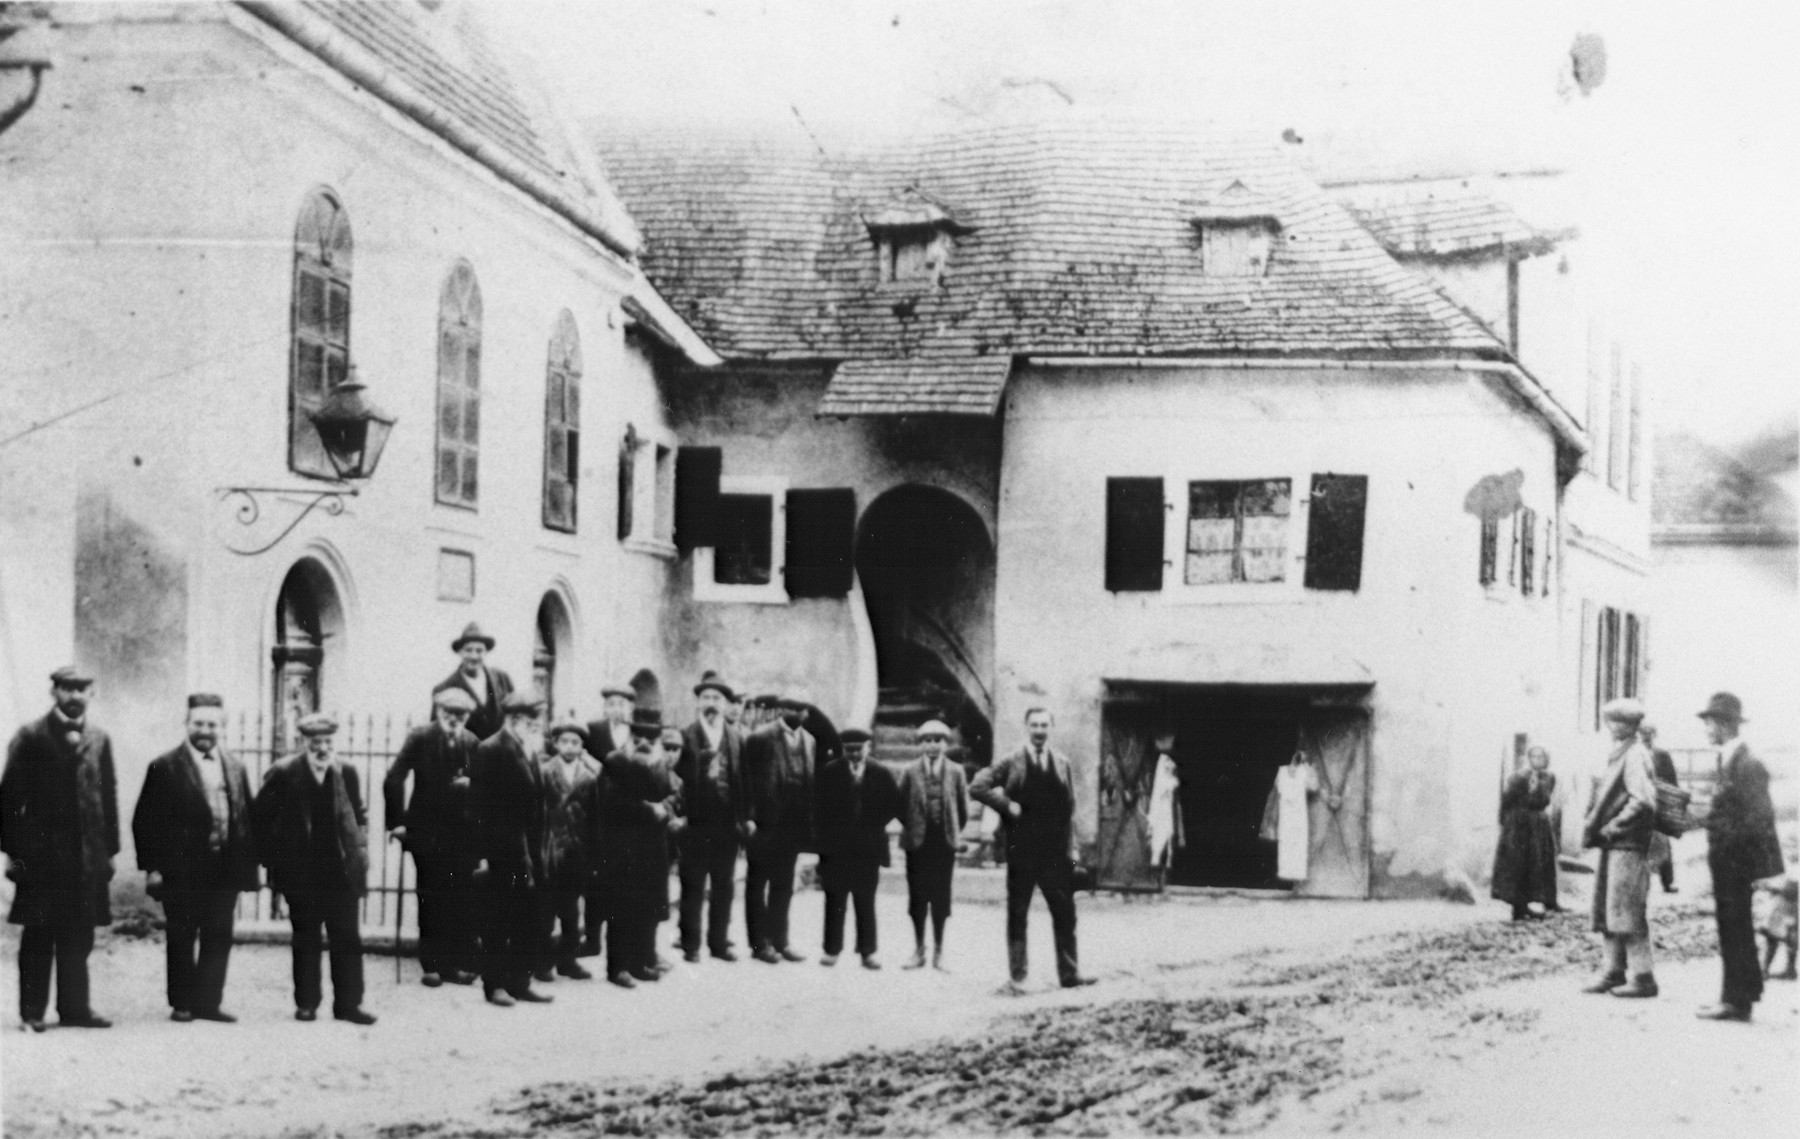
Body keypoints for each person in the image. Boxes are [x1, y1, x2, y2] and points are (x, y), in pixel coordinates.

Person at [1, 667, 120, 1032]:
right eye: (67, 688)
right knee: (39, 934)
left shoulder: (99, 739)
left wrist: (109, 852)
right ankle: (32, 1012)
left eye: (82, 689)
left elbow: (108, 796)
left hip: (86, 856)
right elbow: (8, 802)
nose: (75, 696)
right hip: (40, 858)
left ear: (91, 693)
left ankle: (74, 1009)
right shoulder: (31, 736)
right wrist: (15, 854)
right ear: (53, 691)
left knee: (79, 934)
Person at [132, 693, 259, 1023]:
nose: (205, 730)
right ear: (186, 724)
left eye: (212, 724)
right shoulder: (164, 765)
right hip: (181, 869)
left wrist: (248, 864)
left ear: (223, 726)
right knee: (182, 934)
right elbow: (144, 821)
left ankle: (209, 1002)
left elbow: (246, 815)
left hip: (224, 868)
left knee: (219, 935)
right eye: (199, 723)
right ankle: (183, 1002)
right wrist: (153, 868)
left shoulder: (235, 766)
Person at [251, 713, 376, 1025]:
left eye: (328, 742)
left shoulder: (346, 771)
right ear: (303, 742)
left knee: (347, 938)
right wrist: (274, 865)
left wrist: (359, 847)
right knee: (306, 938)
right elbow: (260, 821)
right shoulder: (284, 772)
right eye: (315, 742)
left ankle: (348, 1005)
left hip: (341, 872)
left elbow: (359, 813)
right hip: (301, 873)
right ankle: (307, 1003)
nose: (322, 748)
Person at [971, 707, 1095, 993]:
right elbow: (978, 786)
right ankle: (1018, 977)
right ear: (1027, 727)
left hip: (1054, 853)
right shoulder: (1012, 761)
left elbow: (1070, 810)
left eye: (1044, 725)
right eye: (1034, 725)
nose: (1039, 730)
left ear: (1052, 727)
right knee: (1018, 913)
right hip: (1022, 851)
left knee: (1065, 912)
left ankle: (1070, 973)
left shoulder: (1062, 763)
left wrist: (1072, 849)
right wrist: (1006, 805)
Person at [1694, 692, 1784, 1022]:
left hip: (1735, 862)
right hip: (1727, 861)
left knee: (1735, 927)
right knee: (1732, 926)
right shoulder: (1730, 760)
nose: (1706, 729)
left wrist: (1731, 846)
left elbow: (1759, 818)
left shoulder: (1748, 764)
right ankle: (1738, 997)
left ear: (1725, 725)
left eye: (1710, 723)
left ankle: (1736, 1000)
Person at [383, 687, 480, 987]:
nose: (454, 719)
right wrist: (397, 823)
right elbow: (394, 777)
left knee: (459, 897)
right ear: (438, 712)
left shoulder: (472, 742)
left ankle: (455, 964)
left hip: (462, 834)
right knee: (431, 895)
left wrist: (470, 785)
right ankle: (432, 965)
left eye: (461, 715)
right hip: (427, 831)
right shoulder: (421, 737)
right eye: (449, 713)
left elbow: (485, 785)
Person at [467, 692, 553, 1008]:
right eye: (533, 721)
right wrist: (491, 852)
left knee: (527, 917)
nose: (538, 727)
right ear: (515, 720)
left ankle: (520, 981)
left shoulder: (527, 748)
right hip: (504, 850)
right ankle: (495, 985)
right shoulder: (491, 749)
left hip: (530, 848)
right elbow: (478, 808)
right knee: (498, 917)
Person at [1579, 698, 1659, 1001]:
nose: (1614, 727)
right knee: (1609, 910)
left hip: (1627, 844)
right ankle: (1613, 971)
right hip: (1613, 845)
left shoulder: (1636, 754)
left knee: (1627, 911)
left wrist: (1613, 827)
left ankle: (1643, 976)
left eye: (1620, 722)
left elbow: (1643, 801)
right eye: (1611, 721)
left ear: (1632, 725)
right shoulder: (1620, 752)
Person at [595, 719, 682, 987]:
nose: (644, 743)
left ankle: (640, 962)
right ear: (630, 737)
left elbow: (675, 795)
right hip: (622, 846)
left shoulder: (662, 765)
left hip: (653, 846)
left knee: (647, 906)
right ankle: (617, 967)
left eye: (651, 739)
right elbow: (610, 801)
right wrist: (649, 809)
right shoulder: (615, 761)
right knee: (621, 908)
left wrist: (665, 809)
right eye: (638, 737)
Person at [675, 671, 746, 963]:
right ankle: (691, 943)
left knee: (723, 886)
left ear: (726, 703)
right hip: (695, 824)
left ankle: (718, 943)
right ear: (698, 702)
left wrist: (744, 817)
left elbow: (743, 780)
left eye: (717, 698)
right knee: (692, 884)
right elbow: (676, 779)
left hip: (726, 824)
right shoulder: (685, 736)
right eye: (706, 697)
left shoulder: (735, 737)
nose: (711, 703)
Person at [816, 727, 900, 969]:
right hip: (836, 850)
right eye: (849, 750)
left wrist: (873, 825)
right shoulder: (830, 773)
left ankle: (867, 951)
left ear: (868, 747)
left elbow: (893, 804)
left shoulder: (881, 773)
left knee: (865, 901)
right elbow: (819, 812)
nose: (854, 755)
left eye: (858, 749)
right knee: (835, 900)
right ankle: (831, 949)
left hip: (868, 849)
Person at [742, 695, 816, 964]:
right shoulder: (760, 737)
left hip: (792, 825)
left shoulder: (809, 741)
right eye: (791, 707)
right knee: (757, 883)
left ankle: (780, 940)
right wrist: (748, 817)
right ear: (781, 709)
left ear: (807, 712)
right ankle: (759, 943)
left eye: (801, 708)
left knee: (783, 885)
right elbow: (745, 778)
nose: (796, 712)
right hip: (764, 823)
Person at [896, 720, 967, 971]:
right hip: (916, 844)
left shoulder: (957, 771)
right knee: (917, 897)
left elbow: (963, 809)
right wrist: (914, 826)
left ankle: (939, 951)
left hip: (943, 844)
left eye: (938, 740)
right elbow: (899, 805)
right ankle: (918, 950)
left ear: (945, 744)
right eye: (927, 740)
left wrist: (950, 831)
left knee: (940, 898)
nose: (932, 746)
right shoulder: (909, 770)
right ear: (920, 743)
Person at [538, 720, 600, 982]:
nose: (569, 746)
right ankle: (541, 963)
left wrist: (594, 855)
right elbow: (537, 811)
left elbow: (595, 818)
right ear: (555, 744)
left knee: (571, 909)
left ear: (582, 746)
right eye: (564, 741)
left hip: (577, 851)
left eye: (575, 742)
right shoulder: (544, 772)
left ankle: (568, 960)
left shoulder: (589, 777)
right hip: (550, 848)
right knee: (545, 908)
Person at [582, 682, 637, 956]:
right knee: (597, 877)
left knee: (623, 879)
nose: (617, 708)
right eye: (612, 703)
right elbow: (580, 756)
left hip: (627, 815)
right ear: (605, 707)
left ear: (630, 707)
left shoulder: (635, 735)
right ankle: (592, 939)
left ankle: (620, 941)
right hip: (599, 812)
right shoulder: (593, 730)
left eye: (622, 703)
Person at [1490, 745, 1560, 921]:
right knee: (1519, 863)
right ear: (1528, 758)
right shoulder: (1518, 777)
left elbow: (1546, 798)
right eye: (1534, 756)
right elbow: (1507, 800)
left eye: (1541, 757)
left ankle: (1545, 900)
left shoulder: (1549, 777)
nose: (1537, 760)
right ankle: (1518, 906)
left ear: (1546, 759)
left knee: (1539, 861)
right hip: (1519, 825)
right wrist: (1506, 824)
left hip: (1539, 824)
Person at [432, 623, 514, 743]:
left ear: (486, 652)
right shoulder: (444, 689)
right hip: (467, 758)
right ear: (460, 652)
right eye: (469, 650)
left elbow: (513, 718)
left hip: (500, 756)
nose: (474, 656)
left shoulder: (502, 679)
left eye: (479, 650)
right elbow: (438, 735)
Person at [1640, 722, 1680, 893]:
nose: (1646, 735)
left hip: (1660, 802)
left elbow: (1672, 779)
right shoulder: (1635, 754)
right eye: (1643, 732)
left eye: (1649, 732)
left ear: (1654, 734)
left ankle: (1667, 881)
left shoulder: (1662, 754)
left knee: (1663, 842)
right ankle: (1641, 881)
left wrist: (1671, 799)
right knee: (1641, 842)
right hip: (1642, 804)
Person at [1147, 732, 1184, 889]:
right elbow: (1162, 788)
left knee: (1169, 838)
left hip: (1170, 808)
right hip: (1162, 809)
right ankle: (1157, 878)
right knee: (1160, 839)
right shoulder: (1163, 762)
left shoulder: (1169, 762)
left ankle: (1164, 877)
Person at [1759, 875, 1797, 981]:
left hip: (1785, 912)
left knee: (1789, 938)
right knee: (1778, 939)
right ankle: (1788, 970)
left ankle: (1789, 970)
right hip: (1781, 914)